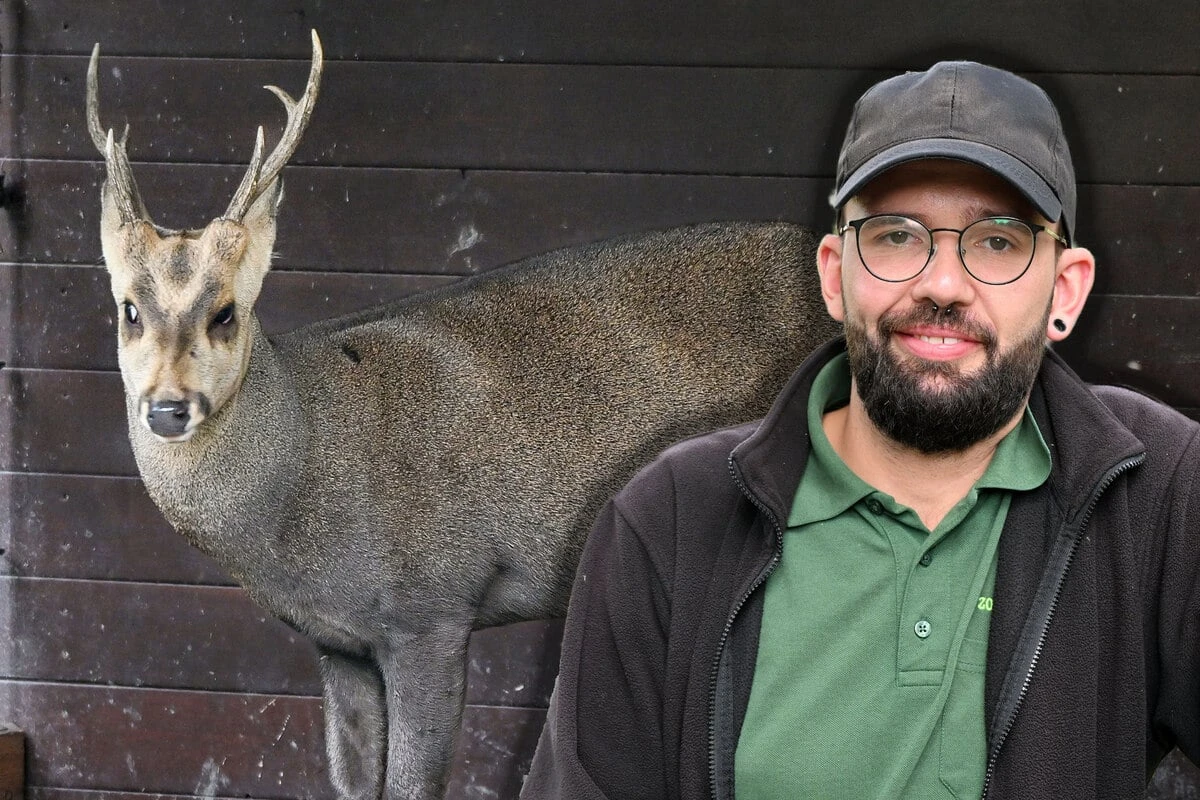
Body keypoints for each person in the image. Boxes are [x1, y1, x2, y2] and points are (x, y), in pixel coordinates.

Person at [520, 60, 1200, 800]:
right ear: (832, 274)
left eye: (999, 241)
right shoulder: (673, 521)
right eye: (896, 236)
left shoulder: (1160, 491)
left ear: (1065, 289)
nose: (942, 285)